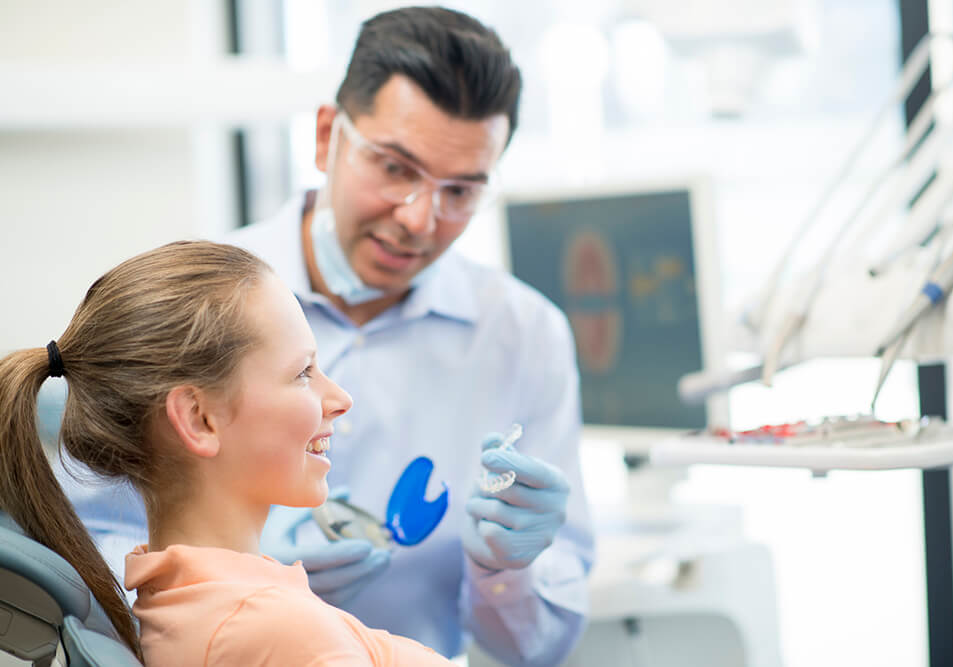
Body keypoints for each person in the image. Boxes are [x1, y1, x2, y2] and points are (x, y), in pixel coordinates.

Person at [55, 6, 594, 666]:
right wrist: (239, 568)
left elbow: (536, 649)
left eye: (460, 190)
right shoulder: (200, 301)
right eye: (395, 168)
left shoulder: (524, 335)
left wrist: (508, 572)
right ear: (325, 136)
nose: (420, 219)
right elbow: (74, 555)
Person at [1, 240, 453, 665]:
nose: (339, 398)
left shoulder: (187, 598)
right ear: (199, 418)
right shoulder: (276, 630)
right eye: (303, 373)